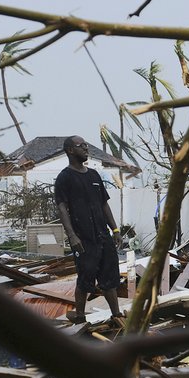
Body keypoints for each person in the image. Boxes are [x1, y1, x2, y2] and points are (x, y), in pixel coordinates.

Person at [55, 135, 123, 323]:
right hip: (83, 238)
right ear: (70, 150)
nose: (86, 148)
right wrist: (72, 236)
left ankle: (116, 314)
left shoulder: (94, 175)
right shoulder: (64, 178)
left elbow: (104, 204)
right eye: (81, 146)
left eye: (86, 145)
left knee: (109, 277)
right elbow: (62, 208)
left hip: (103, 235)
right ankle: (80, 317)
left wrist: (115, 230)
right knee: (85, 277)